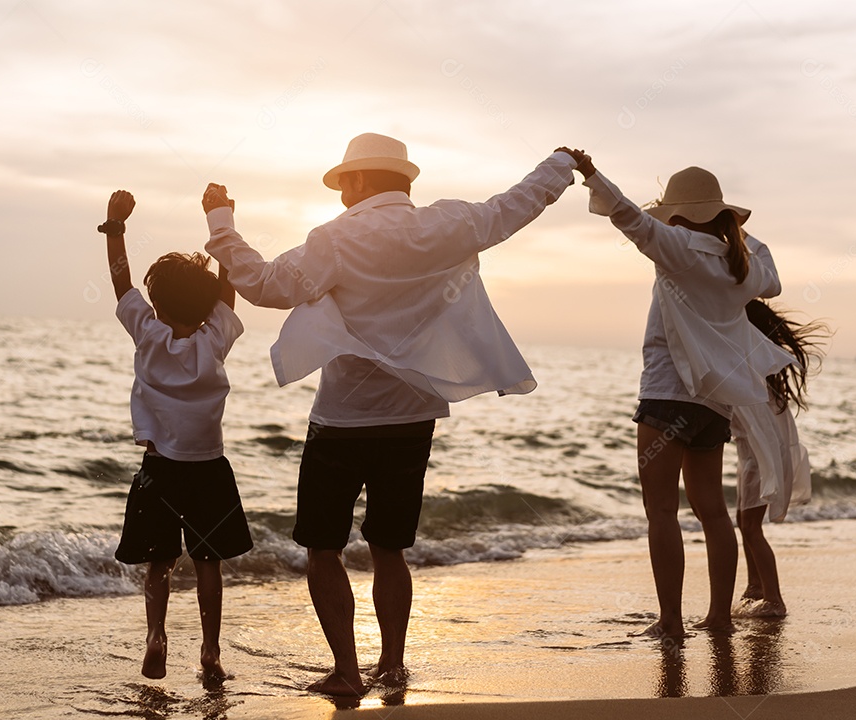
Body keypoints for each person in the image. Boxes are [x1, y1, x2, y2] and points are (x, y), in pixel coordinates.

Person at [201, 133, 579, 696]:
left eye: (344, 183)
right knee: (389, 548)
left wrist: (221, 222)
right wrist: (560, 164)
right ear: (403, 180)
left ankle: (349, 672)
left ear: (356, 181)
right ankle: (394, 663)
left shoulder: (335, 240)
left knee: (323, 547)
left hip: (343, 419)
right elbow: (516, 204)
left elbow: (262, 285)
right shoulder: (447, 225)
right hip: (412, 419)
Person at [562, 149, 797, 638]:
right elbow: (771, 274)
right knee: (712, 512)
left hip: (668, 394)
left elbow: (628, 217)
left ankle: (670, 621)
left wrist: (590, 174)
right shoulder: (744, 266)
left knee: (662, 511)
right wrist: (729, 231)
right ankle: (717, 617)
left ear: (676, 214)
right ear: (723, 217)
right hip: (714, 402)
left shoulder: (677, 248)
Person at [98, 190, 253, 682]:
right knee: (209, 563)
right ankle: (210, 650)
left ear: (157, 303)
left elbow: (121, 282)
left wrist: (115, 225)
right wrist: (222, 220)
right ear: (208, 306)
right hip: (208, 469)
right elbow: (227, 291)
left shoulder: (147, 332)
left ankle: (156, 636)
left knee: (157, 564)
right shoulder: (216, 338)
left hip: (158, 469)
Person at [732, 299, 828, 618]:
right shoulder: (759, 372)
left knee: (751, 527)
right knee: (744, 523)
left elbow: (762, 432)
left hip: (759, 462)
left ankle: (774, 598)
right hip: (753, 459)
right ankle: (754, 587)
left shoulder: (751, 374)